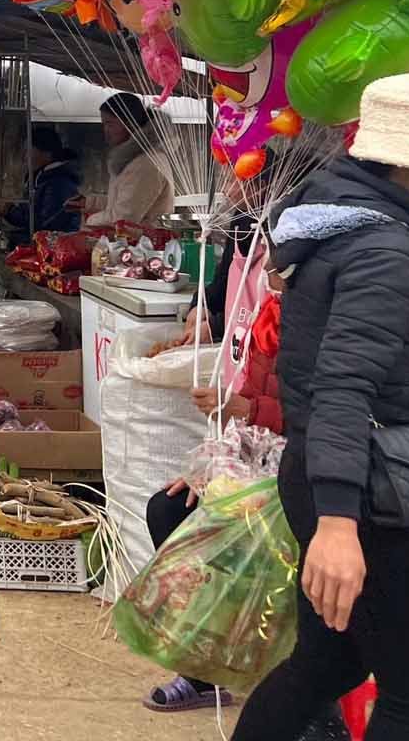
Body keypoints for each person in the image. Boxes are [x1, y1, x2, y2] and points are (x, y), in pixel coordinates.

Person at [232, 72, 409, 741]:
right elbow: (343, 386)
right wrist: (340, 526)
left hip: (330, 474)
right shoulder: (383, 252)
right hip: (358, 491)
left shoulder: (345, 227)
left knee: (329, 661)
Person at [141, 287, 285, 713]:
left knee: (241, 541)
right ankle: (204, 669)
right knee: (169, 510)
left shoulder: (331, 313)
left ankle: (281, 671)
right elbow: (256, 424)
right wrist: (214, 469)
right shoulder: (269, 315)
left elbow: (327, 413)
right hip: (263, 461)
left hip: (311, 472)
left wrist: (246, 407)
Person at [78, 93, 172, 228]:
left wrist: (89, 222)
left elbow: (124, 218)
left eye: (110, 124)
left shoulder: (145, 163)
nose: (106, 131)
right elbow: (126, 201)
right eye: (104, 124)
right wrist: (89, 202)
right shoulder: (135, 159)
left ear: (130, 123)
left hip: (144, 245)